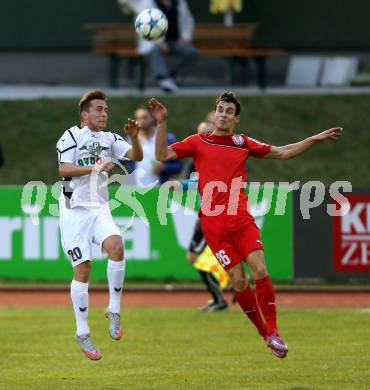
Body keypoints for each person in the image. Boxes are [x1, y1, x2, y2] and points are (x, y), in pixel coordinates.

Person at [151, 91, 342, 358]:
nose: (223, 114)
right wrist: (162, 122)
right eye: (220, 109)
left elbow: (283, 153)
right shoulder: (197, 141)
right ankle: (265, 335)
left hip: (241, 219)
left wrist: (314, 139)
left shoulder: (243, 143)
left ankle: (274, 331)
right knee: (239, 282)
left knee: (260, 270)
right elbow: (162, 155)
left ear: (236, 118)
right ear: (215, 113)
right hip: (214, 225)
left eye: (229, 111)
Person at [56, 89, 143, 360]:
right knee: (83, 269)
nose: (104, 114)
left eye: (106, 110)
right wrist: (95, 169)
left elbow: (136, 157)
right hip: (74, 211)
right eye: (98, 110)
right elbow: (64, 170)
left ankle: (114, 309)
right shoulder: (71, 136)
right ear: (85, 114)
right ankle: (82, 331)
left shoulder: (110, 139)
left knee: (116, 246)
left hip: (99, 207)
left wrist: (135, 137)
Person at [118, 0, 198, 92]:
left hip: (175, 41)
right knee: (154, 50)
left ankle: (172, 76)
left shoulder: (179, 2)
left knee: (192, 52)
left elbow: (188, 20)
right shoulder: (147, 3)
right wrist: (160, 42)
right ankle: (163, 78)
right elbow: (144, 26)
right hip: (154, 42)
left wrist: (185, 37)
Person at [134, 106, 182, 186]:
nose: (140, 121)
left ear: (153, 118)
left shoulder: (167, 139)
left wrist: (164, 167)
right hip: (135, 192)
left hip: (160, 191)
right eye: (137, 118)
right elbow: (120, 160)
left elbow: (178, 165)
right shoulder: (131, 139)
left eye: (144, 117)